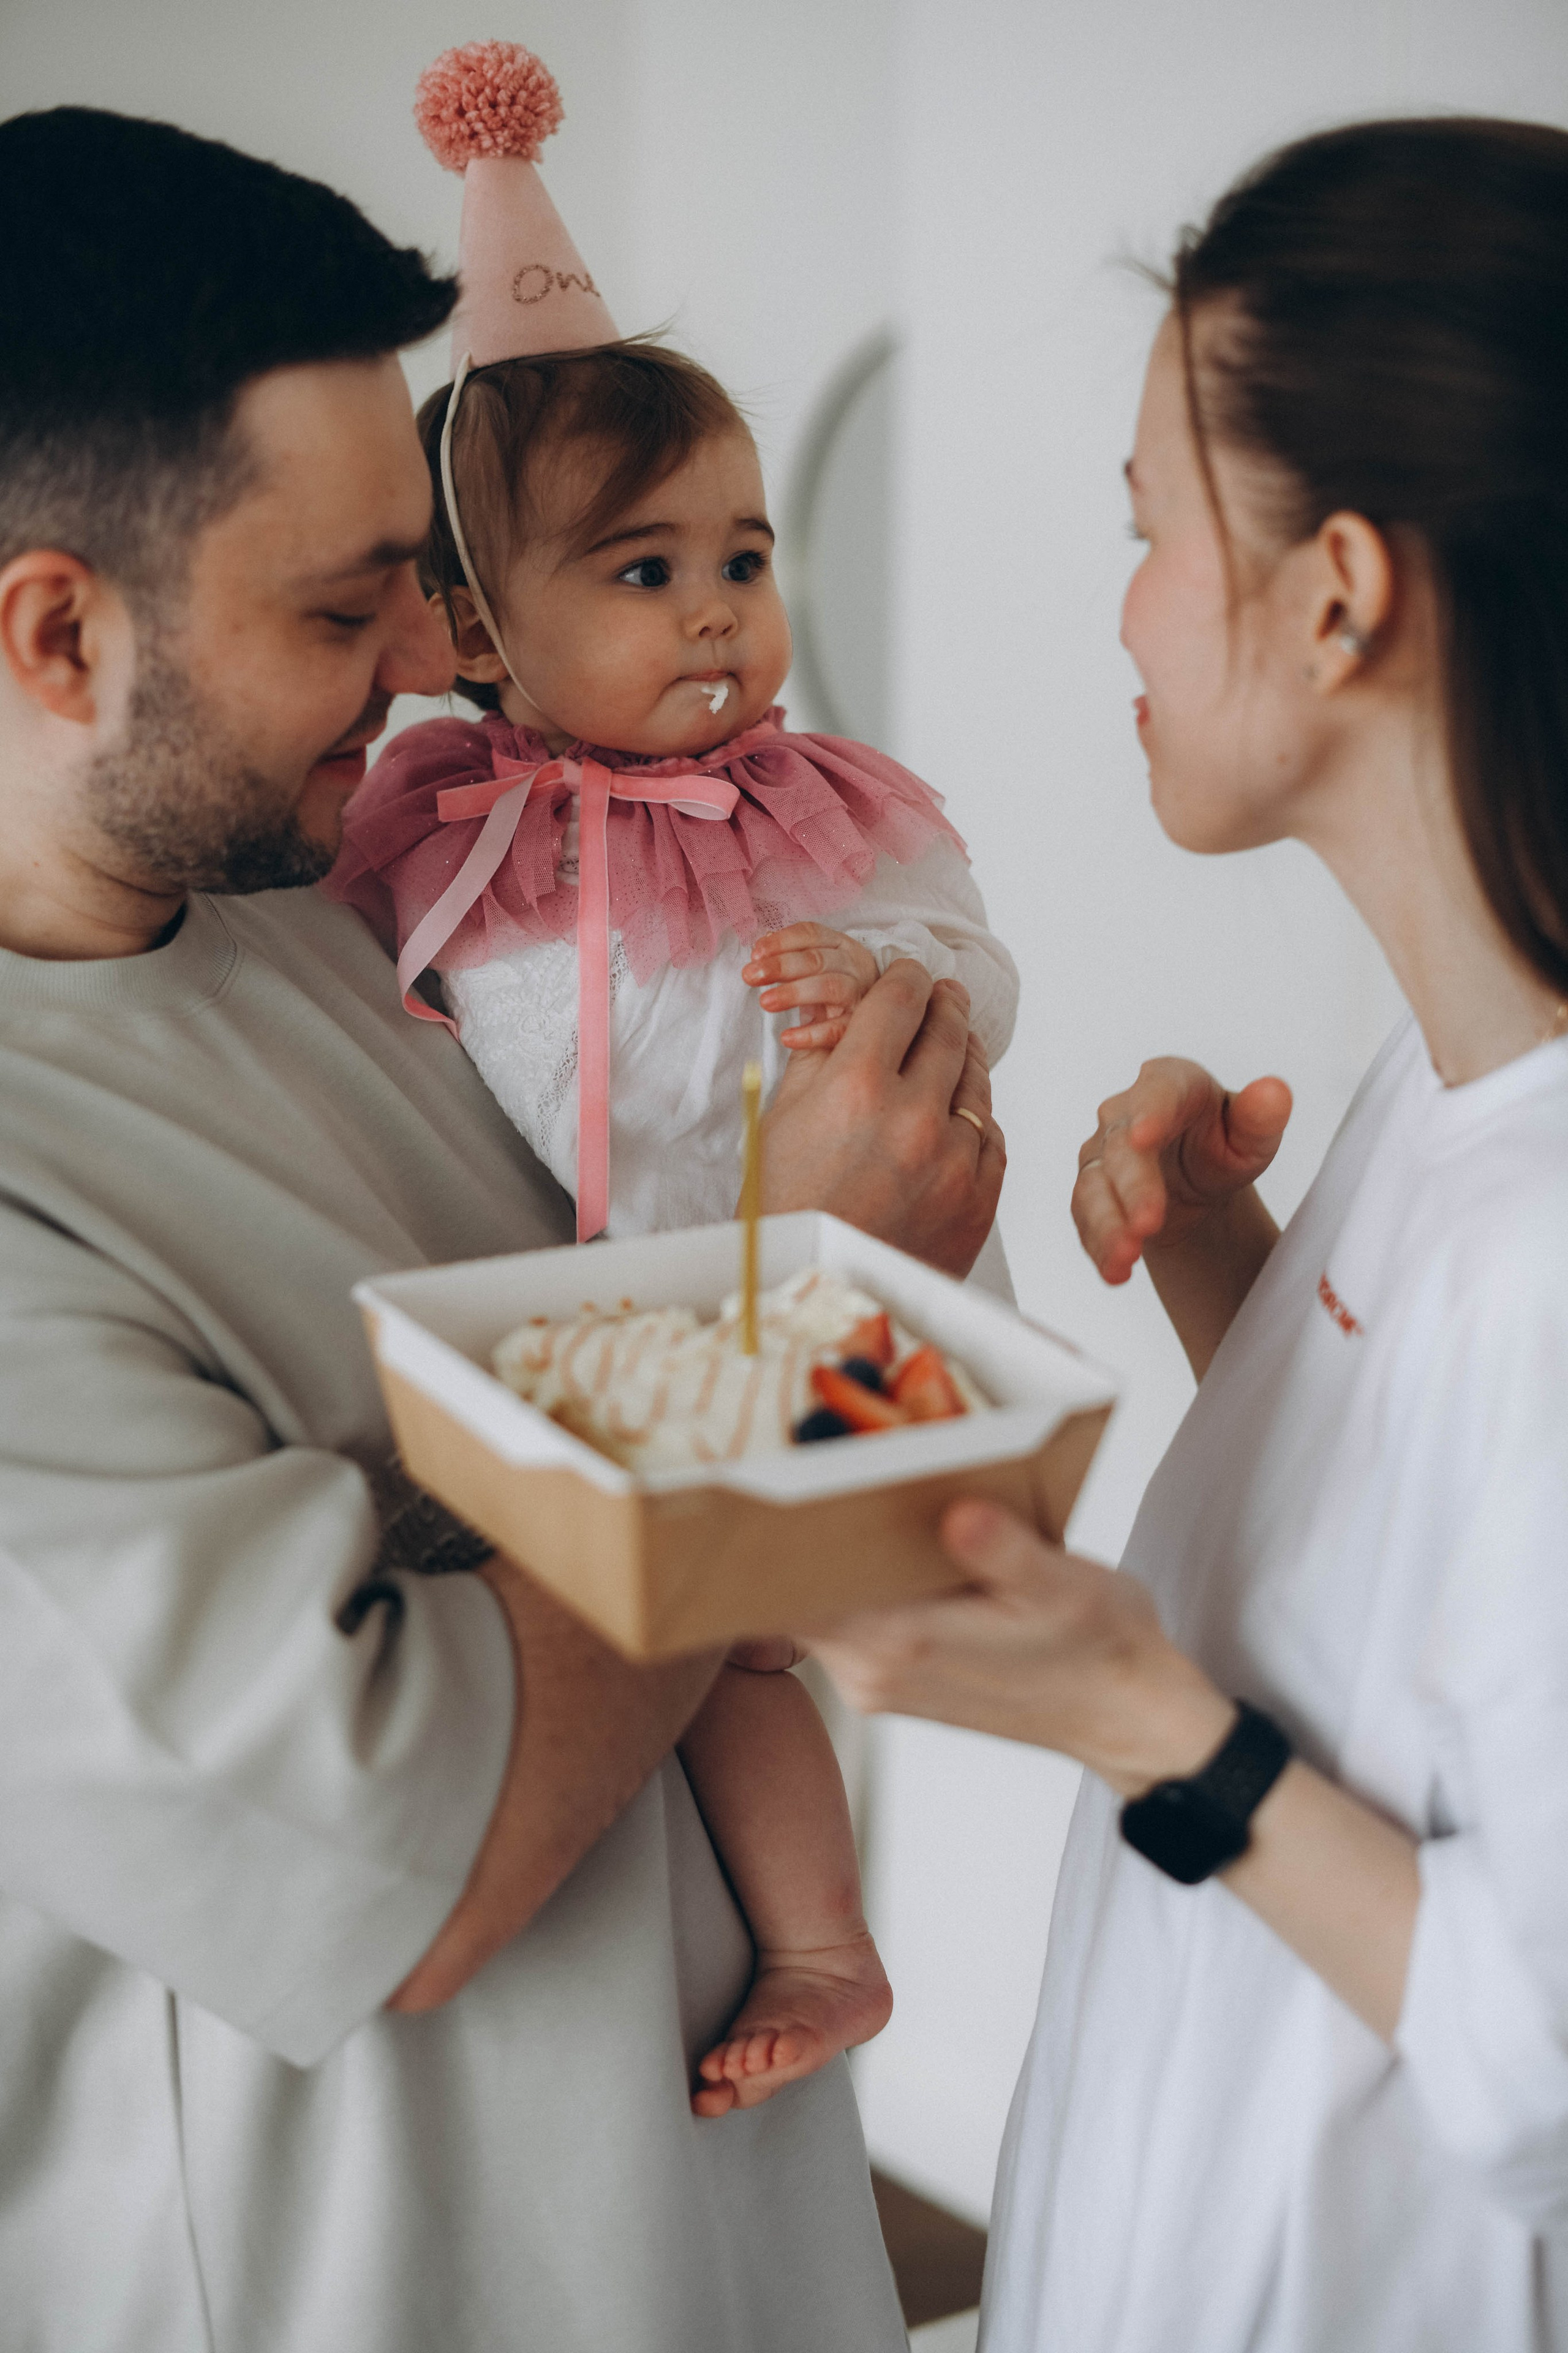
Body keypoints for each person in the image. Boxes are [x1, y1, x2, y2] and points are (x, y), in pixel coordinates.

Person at [0, 104, 1003, 2352]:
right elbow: (414, 1845)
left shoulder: (353, 935)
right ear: (59, 633)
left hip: (725, 2231)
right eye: (347, 608)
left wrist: (887, 1258)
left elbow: (742, 1464)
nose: (437, 669)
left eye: (427, 590)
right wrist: (803, 1311)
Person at [812, 116, 1568, 2352]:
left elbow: (1539, 2060)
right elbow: (1416, 1633)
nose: (1126, 601)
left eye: (1151, 530)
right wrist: (1238, 1276)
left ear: (1339, 592)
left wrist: (1138, 1715)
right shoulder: (1436, 1089)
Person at [327, 39, 1019, 2124]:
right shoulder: (443, 832)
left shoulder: (818, 805)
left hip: (827, 1294)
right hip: (623, 1329)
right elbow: (403, 1027)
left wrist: (882, 970)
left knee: (798, 1636)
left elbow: (977, 951)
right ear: (477, 629)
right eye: (646, 572)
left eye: (744, 551)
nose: (721, 613)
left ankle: (844, 1932)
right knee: (722, 1661)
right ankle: (821, 1944)